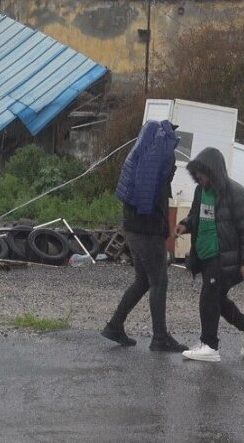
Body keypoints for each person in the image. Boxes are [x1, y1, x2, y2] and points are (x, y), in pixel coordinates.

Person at [101, 120, 187, 353]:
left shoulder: (137, 157)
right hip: (148, 231)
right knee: (159, 280)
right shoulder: (161, 157)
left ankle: (114, 325)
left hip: (132, 228)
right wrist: (165, 231)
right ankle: (160, 338)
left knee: (143, 281)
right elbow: (159, 199)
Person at [177, 147, 244, 363]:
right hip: (205, 255)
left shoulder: (237, 194)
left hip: (225, 258)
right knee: (216, 299)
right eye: (196, 173)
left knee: (209, 298)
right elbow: (196, 216)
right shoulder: (201, 192)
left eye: (202, 172)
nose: (198, 177)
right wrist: (185, 224)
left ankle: (210, 345)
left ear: (213, 170)